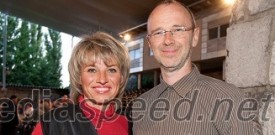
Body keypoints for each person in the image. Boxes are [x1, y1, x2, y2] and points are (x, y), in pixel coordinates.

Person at [131, 0, 262, 134]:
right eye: (158, 32)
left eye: (177, 29)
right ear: (150, 43)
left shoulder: (228, 98)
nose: (168, 40)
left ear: (195, 36)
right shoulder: (141, 105)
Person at [32, 31, 130, 135]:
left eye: (111, 70)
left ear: (121, 78)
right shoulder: (52, 124)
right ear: (79, 77)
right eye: (92, 70)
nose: (102, 79)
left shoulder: (128, 124)